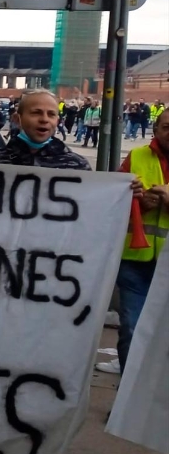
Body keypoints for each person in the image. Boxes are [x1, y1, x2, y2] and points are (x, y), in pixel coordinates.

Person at [98, 110, 169, 375]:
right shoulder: (137, 156)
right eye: (166, 127)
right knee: (131, 327)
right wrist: (136, 201)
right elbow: (113, 201)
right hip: (136, 264)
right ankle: (124, 405)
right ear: (155, 130)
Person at [0, 90, 90, 170]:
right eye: (36, 113)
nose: (44, 119)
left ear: (57, 121)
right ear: (17, 119)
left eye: (51, 114)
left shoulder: (78, 166)